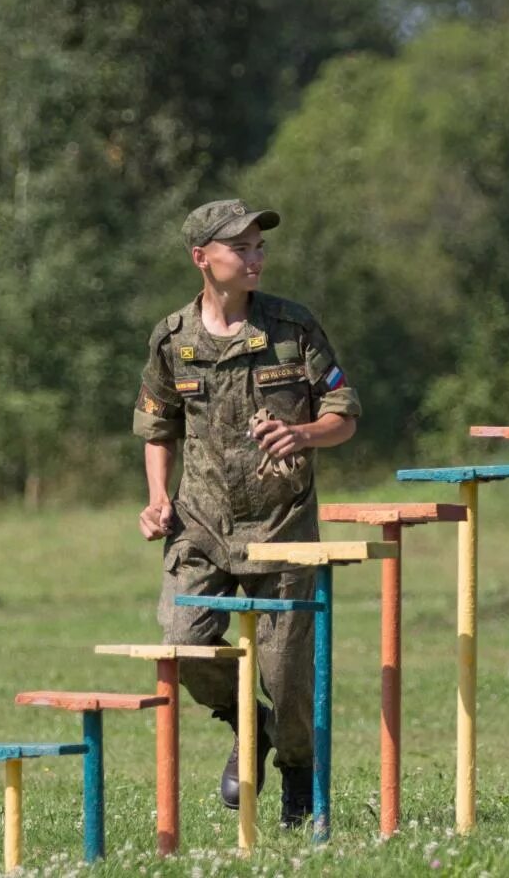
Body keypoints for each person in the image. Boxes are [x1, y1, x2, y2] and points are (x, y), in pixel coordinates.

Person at [133, 199, 360, 827]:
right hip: (200, 525)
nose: (256, 257)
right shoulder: (173, 340)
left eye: (260, 246)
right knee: (182, 649)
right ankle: (246, 723)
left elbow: (345, 412)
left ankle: (298, 777)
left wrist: (307, 435)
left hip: (284, 526)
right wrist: (157, 499)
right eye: (242, 247)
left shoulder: (293, 327)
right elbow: (159, 426)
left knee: (287, 673)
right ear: (202, 258)